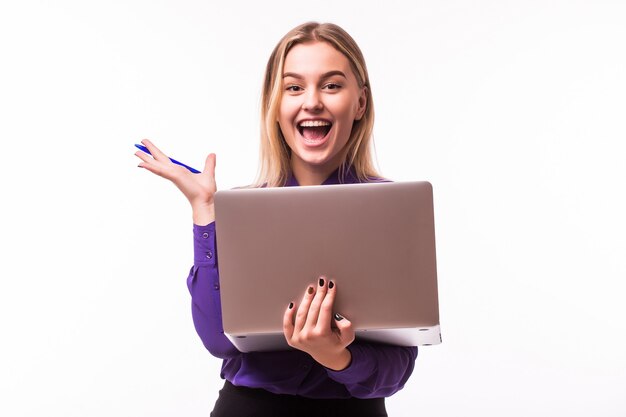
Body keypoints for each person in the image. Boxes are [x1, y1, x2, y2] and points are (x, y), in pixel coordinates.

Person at [135, 21, 417, 417]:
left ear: (360, 103)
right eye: (294, 87)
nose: (312, 102)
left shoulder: (391, 210)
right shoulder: (244, 213)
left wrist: (337, 357)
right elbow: (220, 340)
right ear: (275, 104)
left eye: (332, 85)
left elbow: (398, 367)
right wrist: (206, 212)